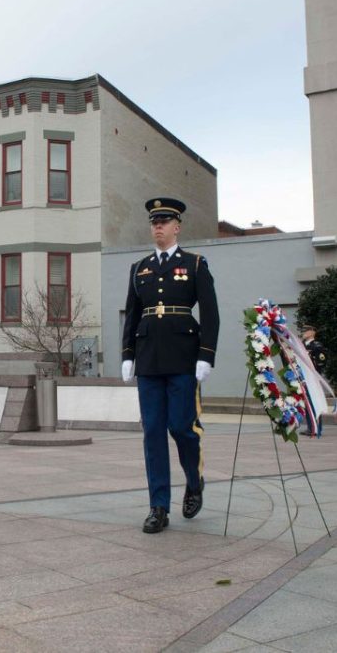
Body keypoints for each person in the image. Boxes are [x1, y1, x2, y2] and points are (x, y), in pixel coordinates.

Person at [121, 197, 220, 533]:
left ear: (177, 227)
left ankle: (194, 480)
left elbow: (210, 313)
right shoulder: (140, 268)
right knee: (153, 434)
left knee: (181, 427)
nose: (158, 227)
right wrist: (127, 354)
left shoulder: (194, 264)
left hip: (183, 359)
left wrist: (206, 354)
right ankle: (158, 506)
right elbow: (132, 314)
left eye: (164, 221)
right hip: (149, 360)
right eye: (154, 222)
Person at [300, 324, 328, 437]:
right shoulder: (302, 346)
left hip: (312, 378)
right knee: (307, 403)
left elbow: (321, 362)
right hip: (303, 378)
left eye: (306, 331)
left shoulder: (317, 346)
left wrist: (314, 374)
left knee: (313, 402)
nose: (303, 333)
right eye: (303, 331)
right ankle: (311, 427)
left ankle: (315, 427)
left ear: (312, 332)